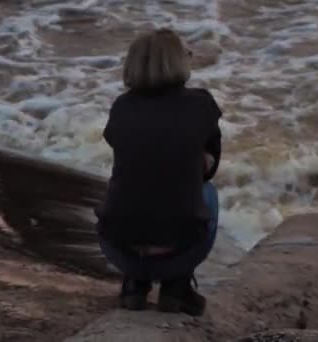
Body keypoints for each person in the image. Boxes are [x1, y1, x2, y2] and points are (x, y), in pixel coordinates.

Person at [95, 28, 222, 316]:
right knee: (206, 194)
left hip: (119, 248)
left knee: (132, 185)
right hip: (179, 249)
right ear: (179, 62)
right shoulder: (201, 104)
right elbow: (209, 170)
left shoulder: (122, 107)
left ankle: (134, 285)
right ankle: (176, 287)